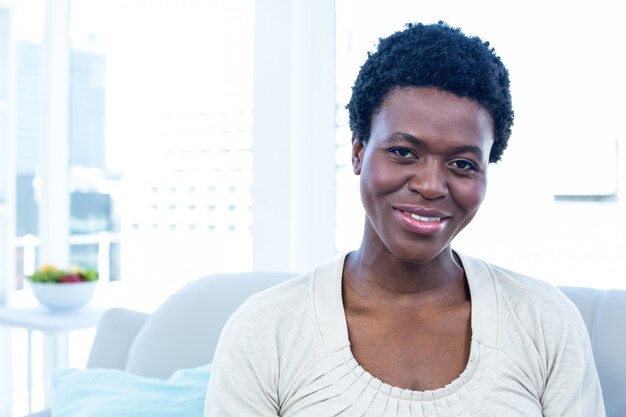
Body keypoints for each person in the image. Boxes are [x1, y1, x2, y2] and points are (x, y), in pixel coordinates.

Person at [205, 21, 605, 416]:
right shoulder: (265, 331)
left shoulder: (545, 322)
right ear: (358, 152)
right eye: (403, 152)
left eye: (463, 163)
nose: (431, 185)